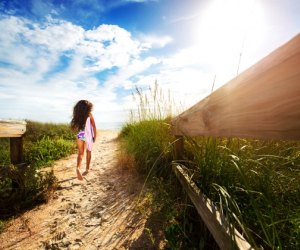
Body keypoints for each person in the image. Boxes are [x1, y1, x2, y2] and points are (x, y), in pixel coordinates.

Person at [71, 100, 97, 180]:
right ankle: (87, 168)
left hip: (80, 134)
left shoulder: (78, 116)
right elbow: (94, 126)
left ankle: (78, 168)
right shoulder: (89, 114)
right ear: (87, 108)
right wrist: (94, 136)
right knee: (88, 151)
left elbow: (76, 128)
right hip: (88, 135)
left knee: (80, 153)